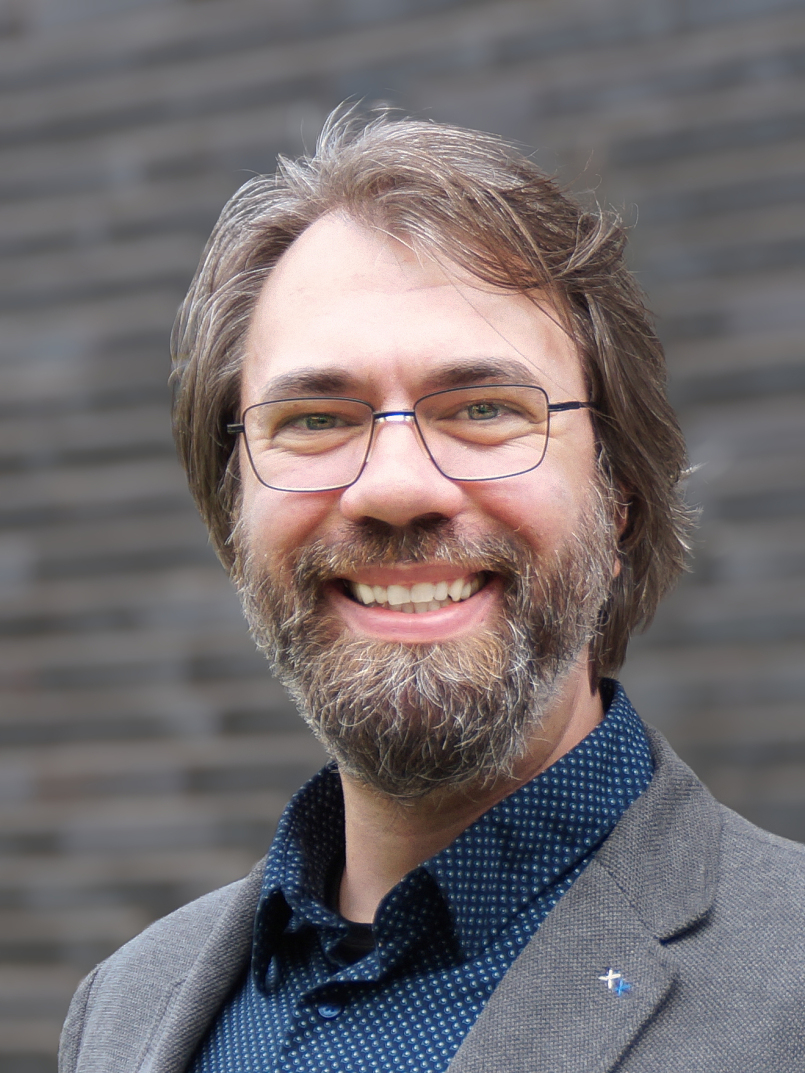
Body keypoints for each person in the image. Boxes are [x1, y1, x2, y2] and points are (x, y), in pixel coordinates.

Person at [59, 111, 805, 1073]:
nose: (395, 486)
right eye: (315, 418)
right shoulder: (122, 1009)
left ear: (619, 499)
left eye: (484, 408)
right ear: (232, 507)